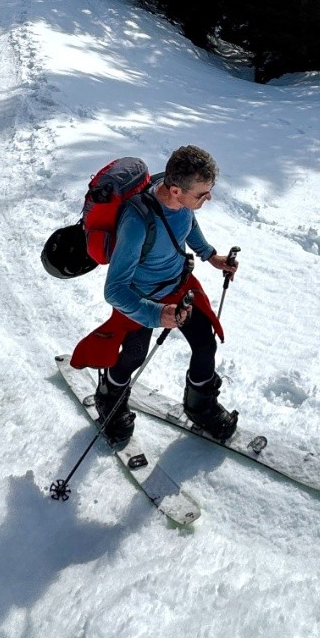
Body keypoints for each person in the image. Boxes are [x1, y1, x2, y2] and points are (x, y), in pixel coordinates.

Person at [95, 144, 240, 444]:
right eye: (202, 193)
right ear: (175, 191)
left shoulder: (182, 204)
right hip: (141, 298)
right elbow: (114, 289)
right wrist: (156, 313)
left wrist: (210, 255)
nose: (208, 197)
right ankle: (108, 398)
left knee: (204, 344)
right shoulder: (137, 222)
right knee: (133, 356)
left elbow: (188, 222)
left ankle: (200, 407)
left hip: (178, 286)